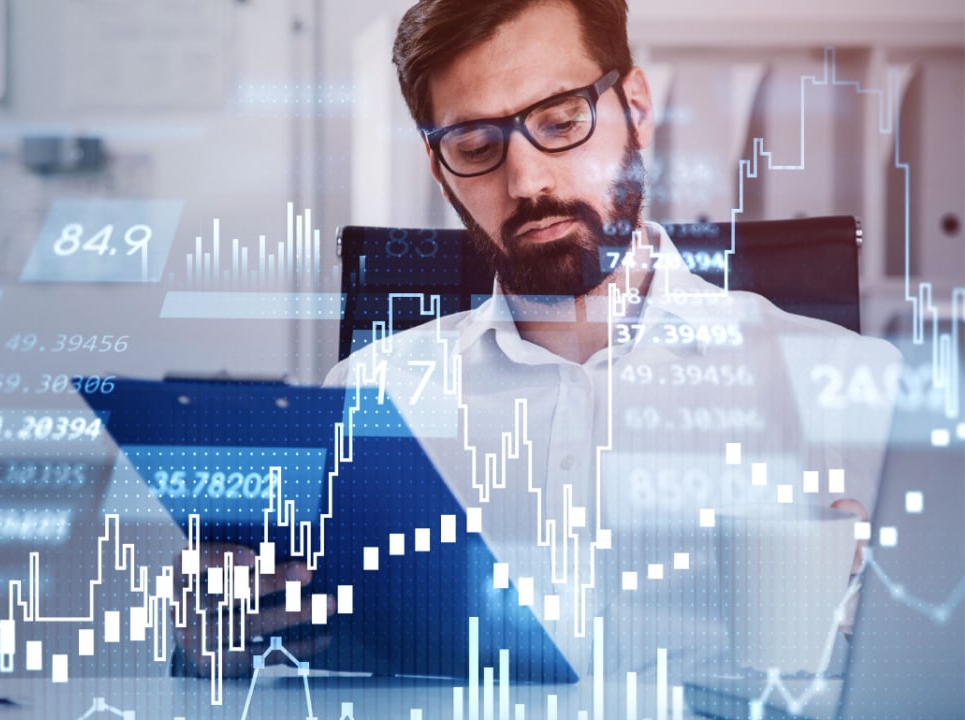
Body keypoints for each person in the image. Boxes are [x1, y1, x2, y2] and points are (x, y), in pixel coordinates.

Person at [173, 0, 899, 679]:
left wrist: (882, 624)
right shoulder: (372, 395)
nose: (525, 180)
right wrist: (219, 647)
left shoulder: (847, 385)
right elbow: (292, 667)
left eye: (559, 121)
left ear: (636, 109)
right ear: (440, 168)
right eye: (476, 143)